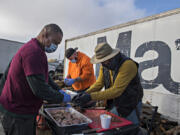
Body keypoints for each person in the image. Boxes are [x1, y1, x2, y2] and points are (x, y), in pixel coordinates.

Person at [0, 24, 71, 135]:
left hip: (21, 108)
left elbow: (44, 77)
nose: (55, 46)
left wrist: (58, 90)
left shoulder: (36, 49)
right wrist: (61, 98)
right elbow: (40, 90)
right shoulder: (33, 52)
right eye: (55, 42)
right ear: (45, 35)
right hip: (18, 112)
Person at [73, 42, 143, 124]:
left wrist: (90, 97)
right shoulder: (106, 65)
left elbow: (116, 91)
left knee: (130, 129)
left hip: (130, 103)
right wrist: (85, 93)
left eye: (103, 61)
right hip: (116, 102)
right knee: (115, 127)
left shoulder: (127, 65)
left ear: (111, 57)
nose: (101, 63)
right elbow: (99, 83)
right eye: (100, 61)